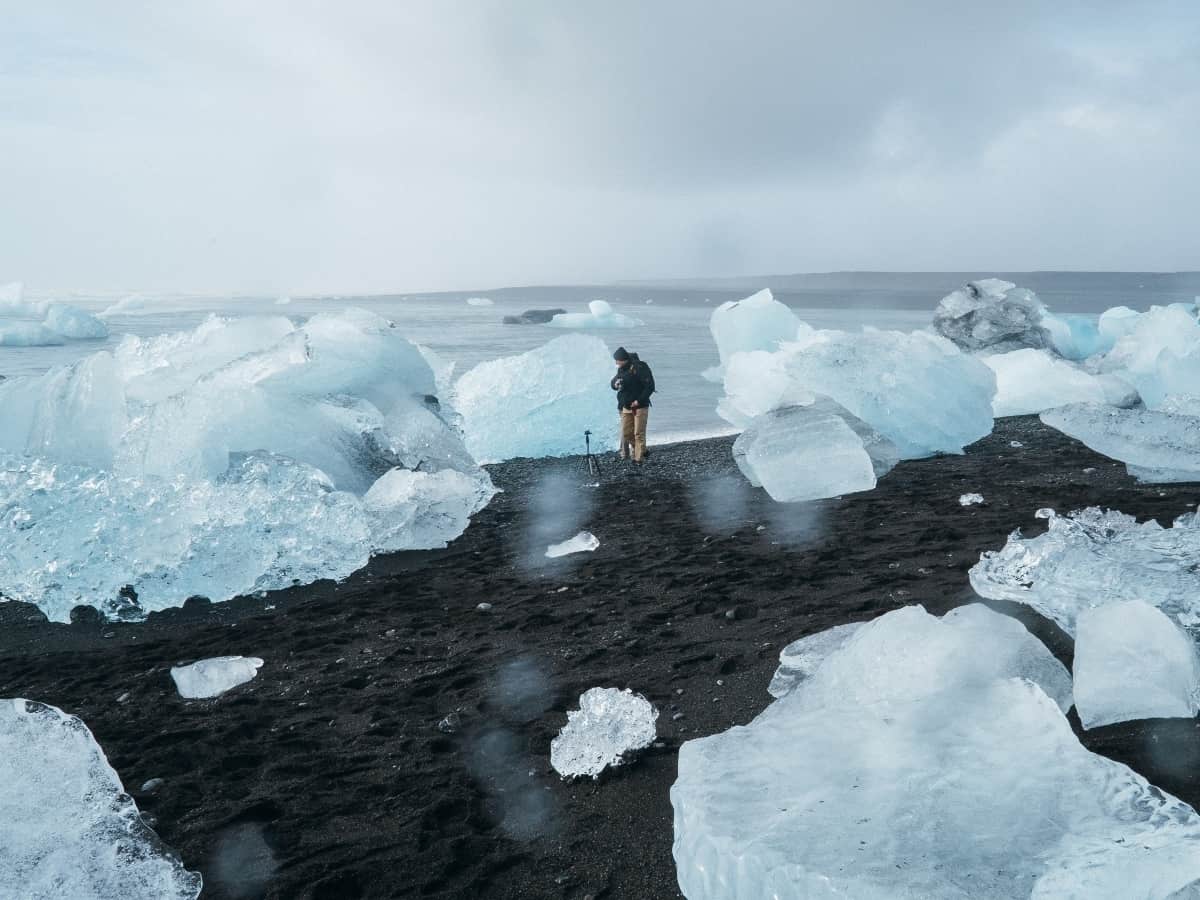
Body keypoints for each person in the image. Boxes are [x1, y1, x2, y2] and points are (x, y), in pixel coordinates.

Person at [610, 346, 654, 464]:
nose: (616, 362)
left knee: (638, 433)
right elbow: (613, 382)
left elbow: (650, 387)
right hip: (625, 406)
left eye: (617, 360)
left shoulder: (640, 367)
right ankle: (642, 450)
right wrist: (616, 384)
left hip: (640, 405)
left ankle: (638, 459)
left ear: (623, 359)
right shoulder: (621, 369)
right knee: (626, 433)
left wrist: (638, 401)